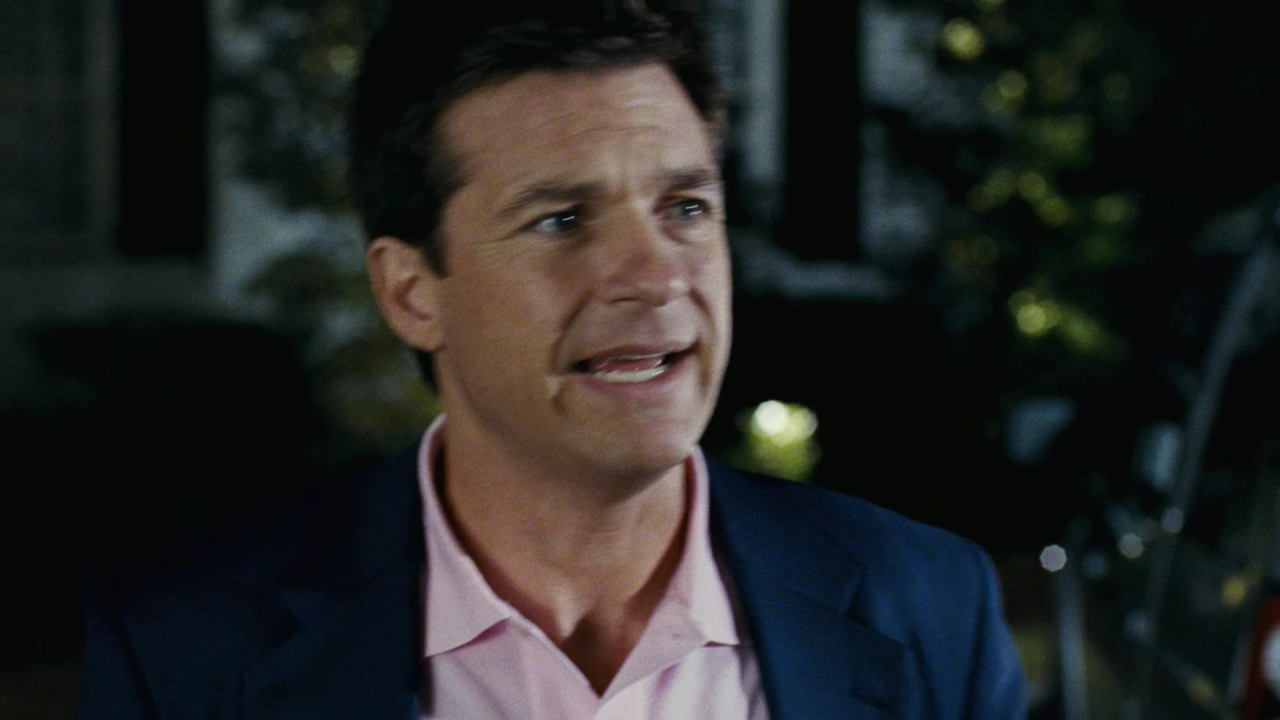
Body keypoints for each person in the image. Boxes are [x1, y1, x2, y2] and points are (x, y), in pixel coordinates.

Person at [79, 1, 1028, 717]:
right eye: (562, 220)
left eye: (685, 209)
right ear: (412, 292)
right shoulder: (185, 650)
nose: (656, 276)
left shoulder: (929, 607)